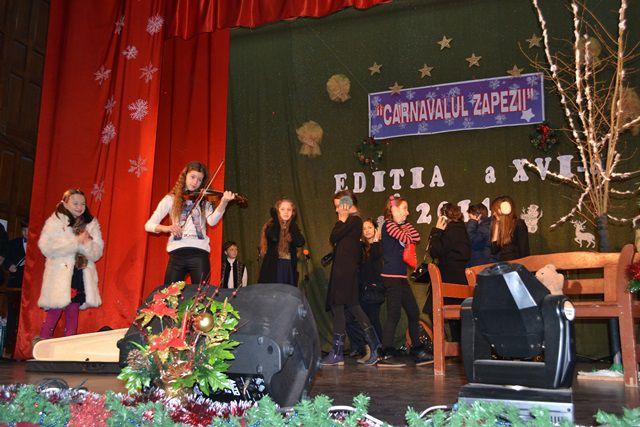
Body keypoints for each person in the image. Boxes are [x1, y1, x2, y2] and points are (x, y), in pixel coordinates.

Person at [145, 161, 235, 284]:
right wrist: (168, 228)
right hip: (177, 254)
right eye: (192, 177)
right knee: (169, 293)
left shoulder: (204, 200)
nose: (195, 182)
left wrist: (223, 203)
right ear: (185, 176)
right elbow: (149, 225)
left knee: (200, 294)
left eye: (199, 179)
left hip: (199, 254)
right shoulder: (171, 199)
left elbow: (212, 221)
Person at [322, 190, 379, 366]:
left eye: (338, 206)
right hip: (342, 271)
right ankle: (341, 351)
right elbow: (336, 239)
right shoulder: (349, 222)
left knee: (348, 307)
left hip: (346, 272)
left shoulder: (354, 220)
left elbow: (334, 236)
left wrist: (341, 218)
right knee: (345, 307)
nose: (336, 210)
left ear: (347, 204)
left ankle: (370, 347)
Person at [37, 189, 103, 340]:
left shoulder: (91, 223)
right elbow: (46, 247)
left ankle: (68, 351)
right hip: (59, 275)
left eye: (83, 204)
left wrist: (87, 243)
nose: (80, 207)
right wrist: (75, 242)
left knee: (73, 315)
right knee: (54, 314)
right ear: (65, 203)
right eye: (75, 203)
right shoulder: (55, 221)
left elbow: (97, 253)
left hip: (80, 274)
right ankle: (41, 347)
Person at [379, 195, 432, 366]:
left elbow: (416, 237)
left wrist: (405, 227)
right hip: (391, 277)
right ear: (393, 209)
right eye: (404, 209)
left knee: (414, 312)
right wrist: (404, 231)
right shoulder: (388, 225)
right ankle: (386, 353)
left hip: (401, 277)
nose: (407, 213)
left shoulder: (403, 225)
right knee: (394, 314)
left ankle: (416, 350)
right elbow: (406, 238)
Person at [429, 203, 471, 342]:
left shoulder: (449, 231)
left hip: (447, 277)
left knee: (434, 311)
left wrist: (436, 231)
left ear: (444, 217)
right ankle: (459, 347)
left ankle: (445, 345)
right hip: (461, 278)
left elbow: (435, 251)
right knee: (458, 316)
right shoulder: (463, 229)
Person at [258, 198, 305, 286]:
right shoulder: (271, 225)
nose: (286, 212)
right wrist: (276, 219)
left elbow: (300, 242)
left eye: (289, 210)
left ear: (293, 212)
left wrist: (292, 223)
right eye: (282, 209)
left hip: (288, 266)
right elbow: (274, 238)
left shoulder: (294, 227)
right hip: (273, 266)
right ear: (277, 211)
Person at [490, 196, 530, 261]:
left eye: (495, 210)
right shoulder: (498, 225)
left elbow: (524, 250)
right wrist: (496, 226)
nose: (494, 213)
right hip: (503, 263)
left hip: (515, 263)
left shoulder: (518, 224)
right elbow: (494, 250)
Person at [3, 221, 28, 288]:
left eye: (29, 230)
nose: (26, 233)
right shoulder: (13, 243)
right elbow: (4, 258)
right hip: (16, 281)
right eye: (24, 230)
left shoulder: (40, 244)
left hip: (33, 282)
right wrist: (9, 265)